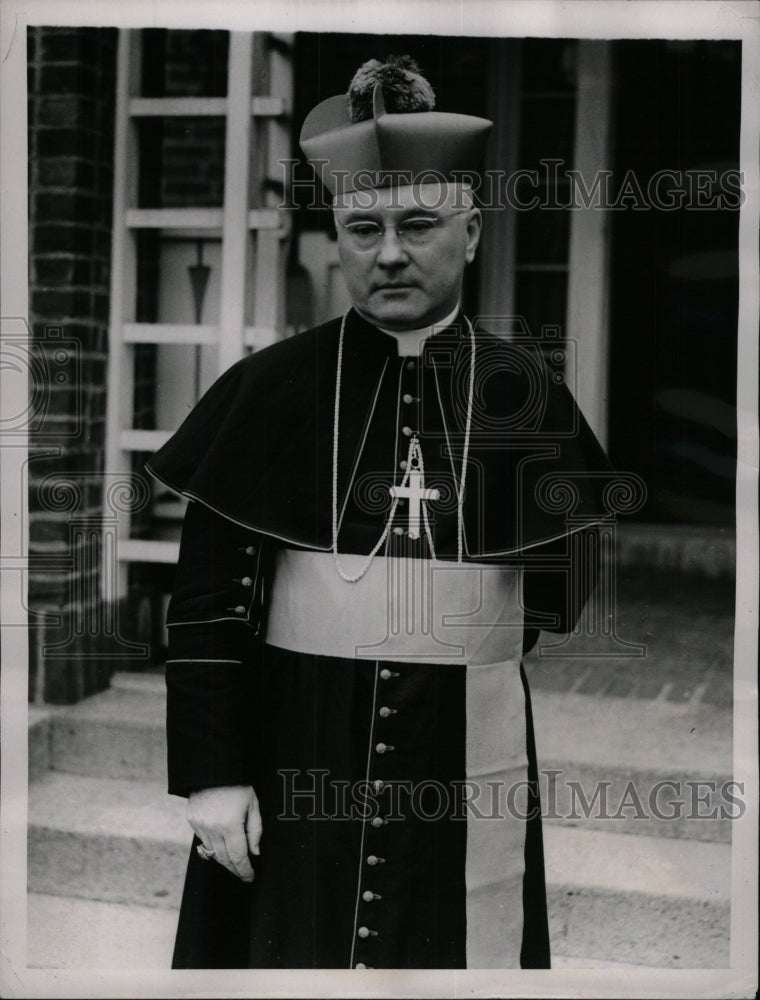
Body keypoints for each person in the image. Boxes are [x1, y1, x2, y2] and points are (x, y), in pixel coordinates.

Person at [146, 55, 612, 970]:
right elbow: (205, 604)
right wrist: (211, 774)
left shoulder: (528, 400)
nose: (389, 251)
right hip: (295, 742)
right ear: (338, 239)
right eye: (363, 227)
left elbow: (558, 601)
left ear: (472, 234)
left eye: (418, 224)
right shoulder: (267, 391)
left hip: (462, 745)